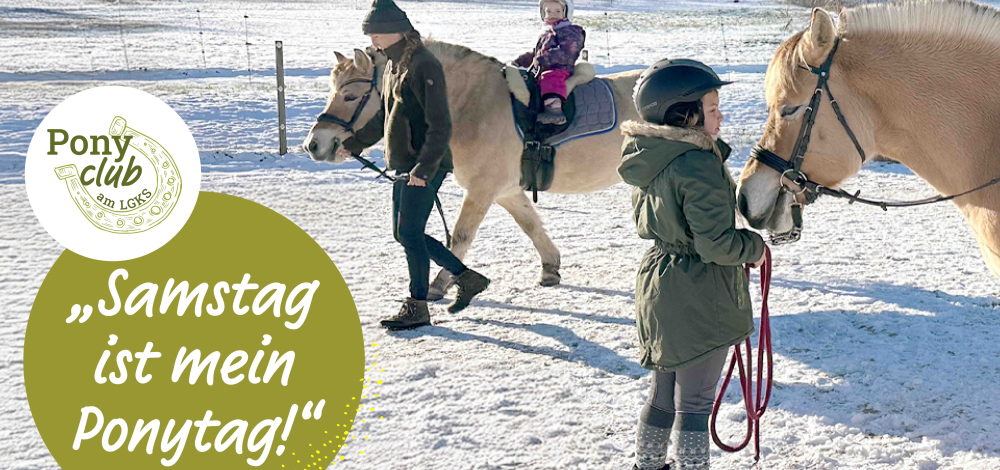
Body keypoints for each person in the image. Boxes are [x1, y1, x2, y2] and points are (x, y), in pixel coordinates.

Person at [616, 59, 767, 470]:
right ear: (685, 113)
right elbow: (716, 244)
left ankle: (648, 465)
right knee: (695, 403)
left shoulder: (654, 155)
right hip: (697, 291)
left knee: (662, 395)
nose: (721, 116)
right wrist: (755, 248)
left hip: (659, 284)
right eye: (713, 108)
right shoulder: (696, 162)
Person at [339, 0, 490, 330]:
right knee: (403, 233)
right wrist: (354, 143)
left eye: (376, 34)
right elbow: (385, 116)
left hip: (426, 163)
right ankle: (466, 278)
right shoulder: (395, 66)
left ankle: (418, 305)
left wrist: (425, 168)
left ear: (396, 32)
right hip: (407, 163)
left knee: (409, 233)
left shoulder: (424, 65)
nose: (372, 41)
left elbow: (441, 125)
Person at [513, 0, 586, 125]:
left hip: (561, 68)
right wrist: (519, 62)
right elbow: (535, 54)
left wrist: (543, 58)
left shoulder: (571, 31)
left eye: (557, 11)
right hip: (543, 69)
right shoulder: (546, 34)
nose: (553, 14)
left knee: (550, 78)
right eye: (549, 11)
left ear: (566, 12)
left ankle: (554, 109)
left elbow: (568, 51)